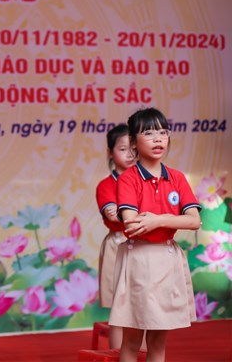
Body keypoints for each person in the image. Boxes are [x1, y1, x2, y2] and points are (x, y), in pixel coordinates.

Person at [110, 107, 201, 362]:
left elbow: (194, 221)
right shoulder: (128, 179)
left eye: (163, 132)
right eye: (149, 133)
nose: (158, 139)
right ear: (133, 142)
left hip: (168, 260)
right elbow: (132, 224)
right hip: (139, 260)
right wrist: (173, 219)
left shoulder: (177, 178)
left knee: (159, 341)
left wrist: (157, 219)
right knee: (131, 340)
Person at [95, 123, 135, 349]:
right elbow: (114, 215)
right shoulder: (106, 185)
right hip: (118, 244)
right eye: (122, 149)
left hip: (144, 245)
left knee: (145, 309)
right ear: (110, 152)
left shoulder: (147, 181)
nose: (130, 154)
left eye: (133, 149)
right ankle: (118, 355)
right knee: (119, 310)